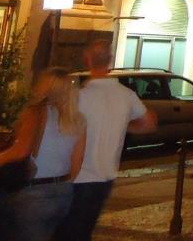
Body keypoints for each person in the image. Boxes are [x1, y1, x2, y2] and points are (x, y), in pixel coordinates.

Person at [54, 39, 156, 241]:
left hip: (76, 177)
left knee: (66, 232)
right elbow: (149, 123)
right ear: (110, 61)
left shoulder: (78, 97)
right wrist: (124, 125)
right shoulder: (126, 95)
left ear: (87, 60)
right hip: (106, 177)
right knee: (83, 230)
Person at [0, 68, 87, 241]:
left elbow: (20, 152)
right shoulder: (78, 121)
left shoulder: (35, 113)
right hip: (63, 192)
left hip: (34, 192)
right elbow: (77, 162)